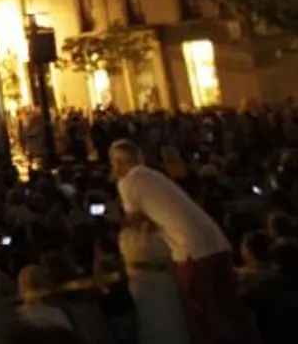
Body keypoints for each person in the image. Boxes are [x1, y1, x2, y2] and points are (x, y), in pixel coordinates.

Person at [110, 138, 259, 344]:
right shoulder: (155, 175)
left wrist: (115, 224)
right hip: (216, 241)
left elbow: (134, 221)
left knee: (198, 313)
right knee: (231, 307)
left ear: (118, 162)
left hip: (191, 249)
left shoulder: (128, 182)